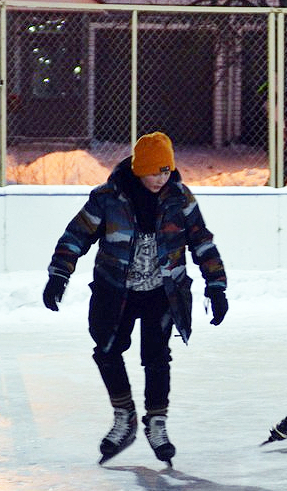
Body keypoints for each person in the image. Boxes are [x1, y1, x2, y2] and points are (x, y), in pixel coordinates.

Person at [42, 131, 229, 467]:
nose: (160, 178)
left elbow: (202, 242)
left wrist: (216, 285)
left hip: (163, 293)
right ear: (138, 168)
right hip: (116, 291)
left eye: (166, 171)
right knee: (107, 350)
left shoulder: (180, 199)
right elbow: (76, 235)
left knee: (157, 357)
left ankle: (156, 422)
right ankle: (124, 415)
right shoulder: (108, 198)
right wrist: (59, 274)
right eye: (154, 171)